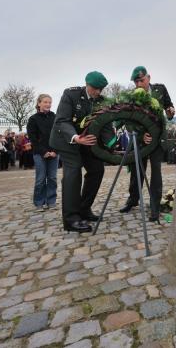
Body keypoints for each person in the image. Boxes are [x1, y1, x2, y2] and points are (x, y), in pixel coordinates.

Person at [50, 71, 109, 233]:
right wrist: (76, 138)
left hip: (86, 142)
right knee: (73, 172)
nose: (98, 92)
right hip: (67, 140)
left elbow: (105, 124)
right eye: (95, 89)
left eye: (101, 89)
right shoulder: (71, 95)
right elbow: (62, 120)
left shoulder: (101, 101)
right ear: (87, 85)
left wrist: (111, 145)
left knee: (97, 169)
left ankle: (84, 208)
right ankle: (71, 219)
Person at [120, 66, 175, 222]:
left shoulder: (160, 89)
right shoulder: (131, 95)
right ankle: (133, 200)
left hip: (157, 139)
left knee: (156, 172)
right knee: (137, 171)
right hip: (140, 140)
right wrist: (141, 135)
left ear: (148, 78)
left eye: (141, 80)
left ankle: (155, 206)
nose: (138, 84)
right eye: (136, 81)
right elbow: (128, 119)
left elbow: (169, 109)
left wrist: (171, 112)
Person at [27, 94, 58, 211]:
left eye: (50, 102)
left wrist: (55, 151)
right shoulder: (33, 119)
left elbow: (59, 135)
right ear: (39, 103)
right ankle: (39, 202)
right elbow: (33, 139)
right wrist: (44, 152)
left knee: (52, 178)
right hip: (39, 153)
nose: (48, 104)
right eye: (45, 102)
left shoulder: (55, 117)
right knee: (40, 179)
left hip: (54, 152)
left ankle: (51, 201)